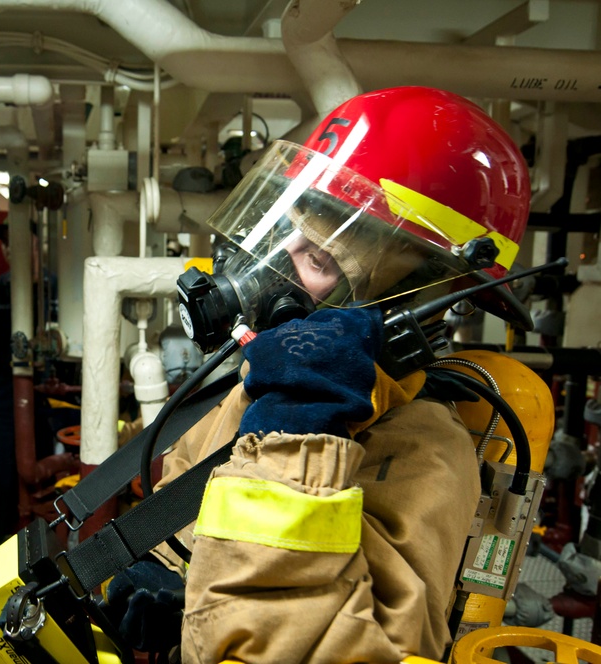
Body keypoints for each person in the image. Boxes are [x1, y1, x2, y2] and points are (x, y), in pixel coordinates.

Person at [107, 87, 535, 663]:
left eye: (320, 259)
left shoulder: (424, 454)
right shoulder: (255, 390)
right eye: (291, 235)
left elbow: (345, 648)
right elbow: (187, 503)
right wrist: (168, 579)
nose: (276, 267)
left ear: (399, 300)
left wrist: (297, 443)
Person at [0, 221, 61, 554]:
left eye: (21, 244)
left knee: (41, 475)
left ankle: (39, 549)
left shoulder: (56, 292)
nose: (12, 251)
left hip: (45, 399)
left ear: (38, 247)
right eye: (7, 246)